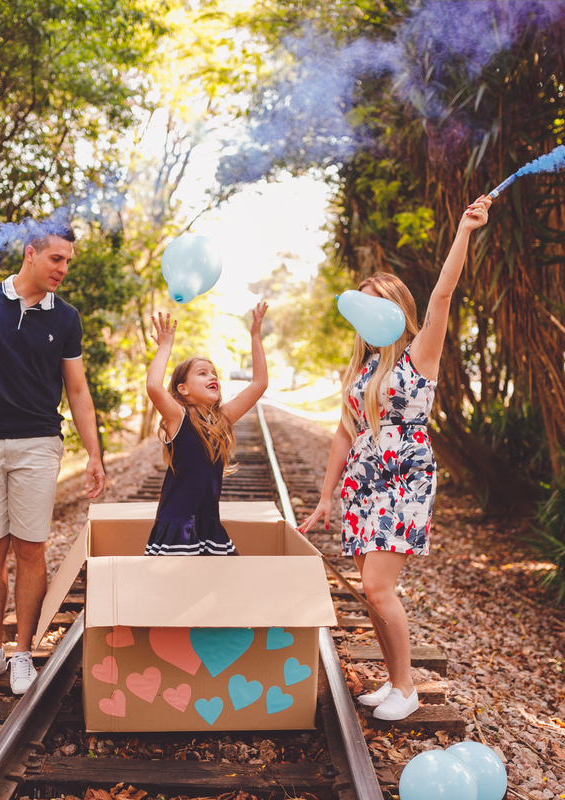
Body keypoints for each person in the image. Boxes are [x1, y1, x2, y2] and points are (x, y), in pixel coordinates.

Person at [299, 195, 491, 721]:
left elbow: (444, 296)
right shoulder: (361, 369)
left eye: (375, 305)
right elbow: (344, 432)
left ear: (395, 310)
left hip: (403, 476)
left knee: (380, 587)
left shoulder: (419, 352)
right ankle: (393, 681)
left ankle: (406, 688)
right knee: (369, 589)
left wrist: (464, 231)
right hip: (364, 478)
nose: (365, 316)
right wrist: (325, 495)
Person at [0, 224, 106, 694]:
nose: (63, 270)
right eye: (57, 260)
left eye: (68, 261)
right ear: (31, 254)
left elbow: (77, 391)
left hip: (38, 443)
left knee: (30, 547)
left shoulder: (66, 318)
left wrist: (95, 453)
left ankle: (24, 653)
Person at [143, 302, 269, 555]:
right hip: (178, 526)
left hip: (208, 525)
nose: (213, 377)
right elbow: (154, 387)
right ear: (183, 389)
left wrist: (255, 335)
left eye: (214, 374)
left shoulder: (221, 419)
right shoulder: (178, 418)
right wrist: (165, 346)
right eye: (202, 373)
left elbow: (259, 383)